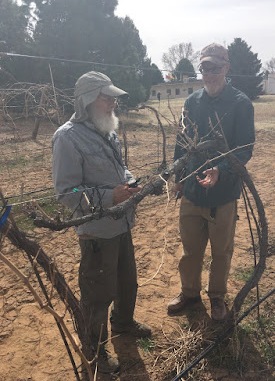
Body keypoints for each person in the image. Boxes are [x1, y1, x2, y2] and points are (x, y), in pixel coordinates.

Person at [52, 71, 151, 374]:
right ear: (88, 100)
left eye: (113, 98)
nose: (113, 103)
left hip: (121, 224)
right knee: (97, 294)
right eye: (107, 97)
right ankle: (95, 354)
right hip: (97, 232)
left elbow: (119, 170)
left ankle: (123, 323)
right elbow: (67, 193)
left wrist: (131, 183)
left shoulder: (106, 129)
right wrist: (111, 197)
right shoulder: (66, 138)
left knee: (126, 281)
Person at [168, 43, 255, 321]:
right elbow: (183, 142)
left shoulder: (241, 103)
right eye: (204, 68)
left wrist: (220, 170)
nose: (209, 74)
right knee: (190, 249)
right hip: (192, 191)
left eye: (215, 68)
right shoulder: (192, 102)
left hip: (223, 194)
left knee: (221, 251)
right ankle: (189, 293)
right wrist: (178, 178)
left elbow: (245, 149)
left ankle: (217, 297)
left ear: (226, 68)